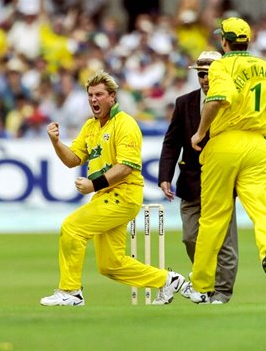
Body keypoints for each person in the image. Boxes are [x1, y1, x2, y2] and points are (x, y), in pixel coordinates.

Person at [40, 70, 185, 306]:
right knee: (110, 265)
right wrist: (56, 142)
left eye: (99, 94)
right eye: (90, 95)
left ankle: (71, 291)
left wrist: (92, 185)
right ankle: (167, 280)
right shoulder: (90, 126)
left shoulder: (125, 124)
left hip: (124, 194)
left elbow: (126, 167)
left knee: (72, 228)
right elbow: (72, 160)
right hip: (105, 197)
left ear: (112, 96)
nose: (93, 100)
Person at [190, 17, 266, 303]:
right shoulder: (263, 66)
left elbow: (221, 97)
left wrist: (199, 133)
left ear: (224, 41)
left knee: (213, 217)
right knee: (262, 209)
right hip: (258, 144)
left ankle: (200, 285)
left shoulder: (221, 64)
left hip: (226, 143)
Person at [158, 51, 238, 304]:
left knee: (224, 242)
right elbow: (171, 142)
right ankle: (207, 280)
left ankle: (222, 292)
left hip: (222, 180)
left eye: (210, 73)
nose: (205, 79)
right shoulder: (184, 102)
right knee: (190, 237)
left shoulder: (232, 101)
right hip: (192, 181)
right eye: (202, 74)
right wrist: (165, 176)